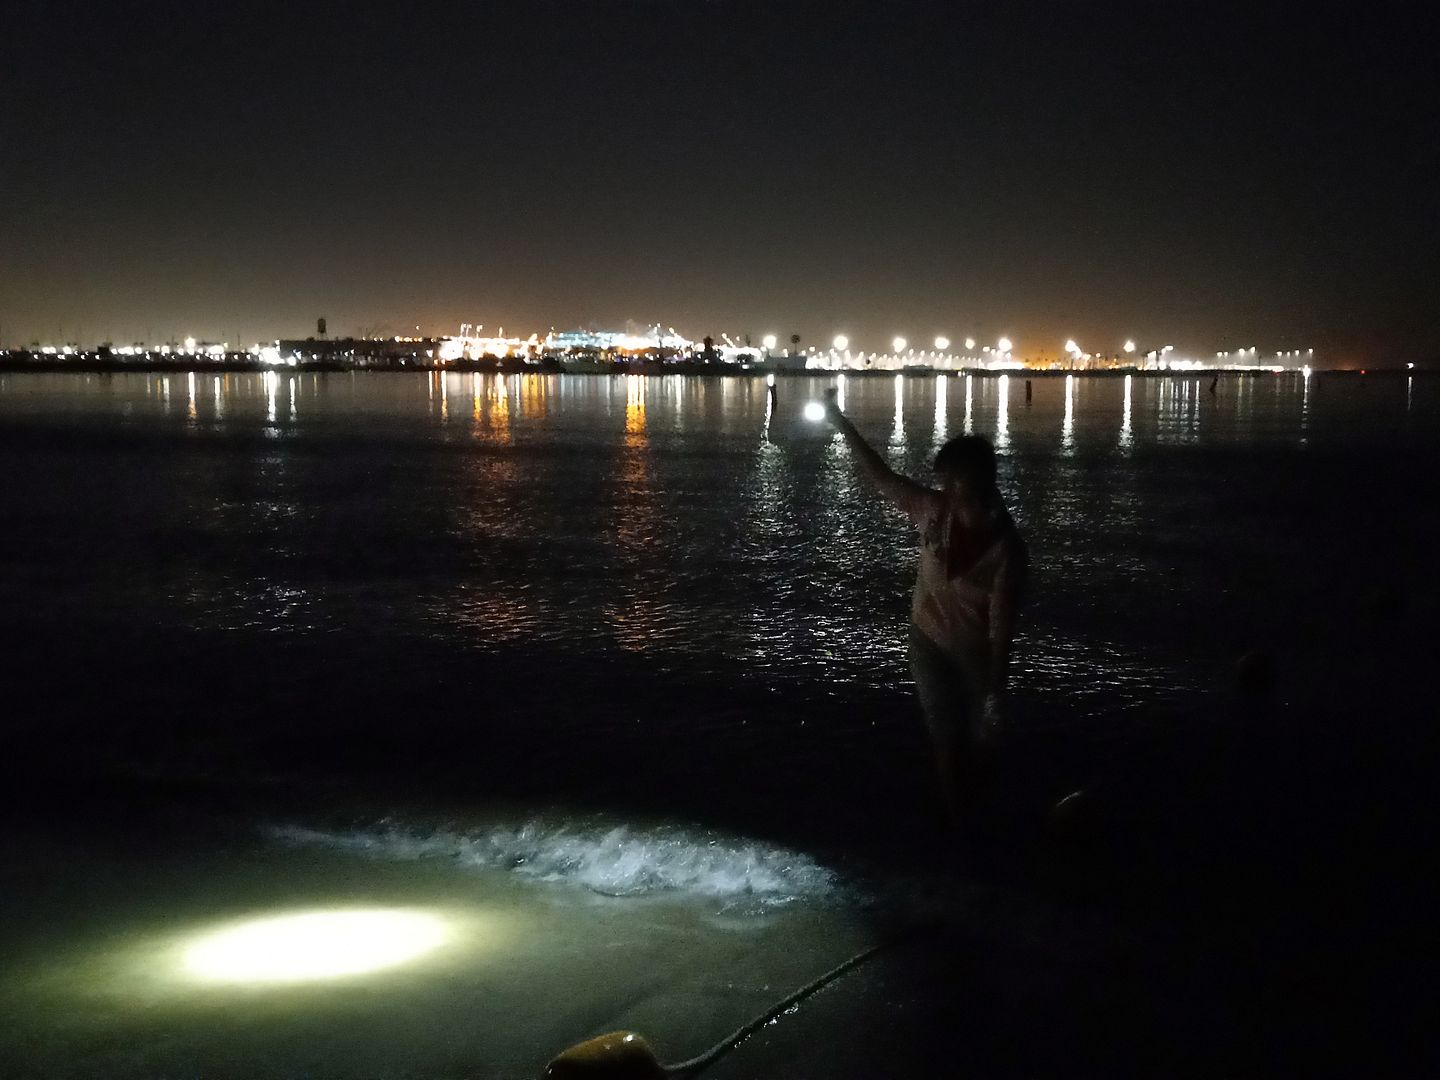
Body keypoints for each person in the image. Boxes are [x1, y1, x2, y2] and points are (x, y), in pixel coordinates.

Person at [823, 390, 1027, 826]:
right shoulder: (936, 512)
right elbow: (882, 478)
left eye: (951, 480)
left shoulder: (1007, 550)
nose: (943, 487)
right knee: (945, 739)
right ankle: (958, 823)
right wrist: (841, 423)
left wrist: (995, 690)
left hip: (975, 653)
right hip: (928, 643)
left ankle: (985, 816)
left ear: (972, 482)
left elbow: (1001, 628)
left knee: (983, 742)